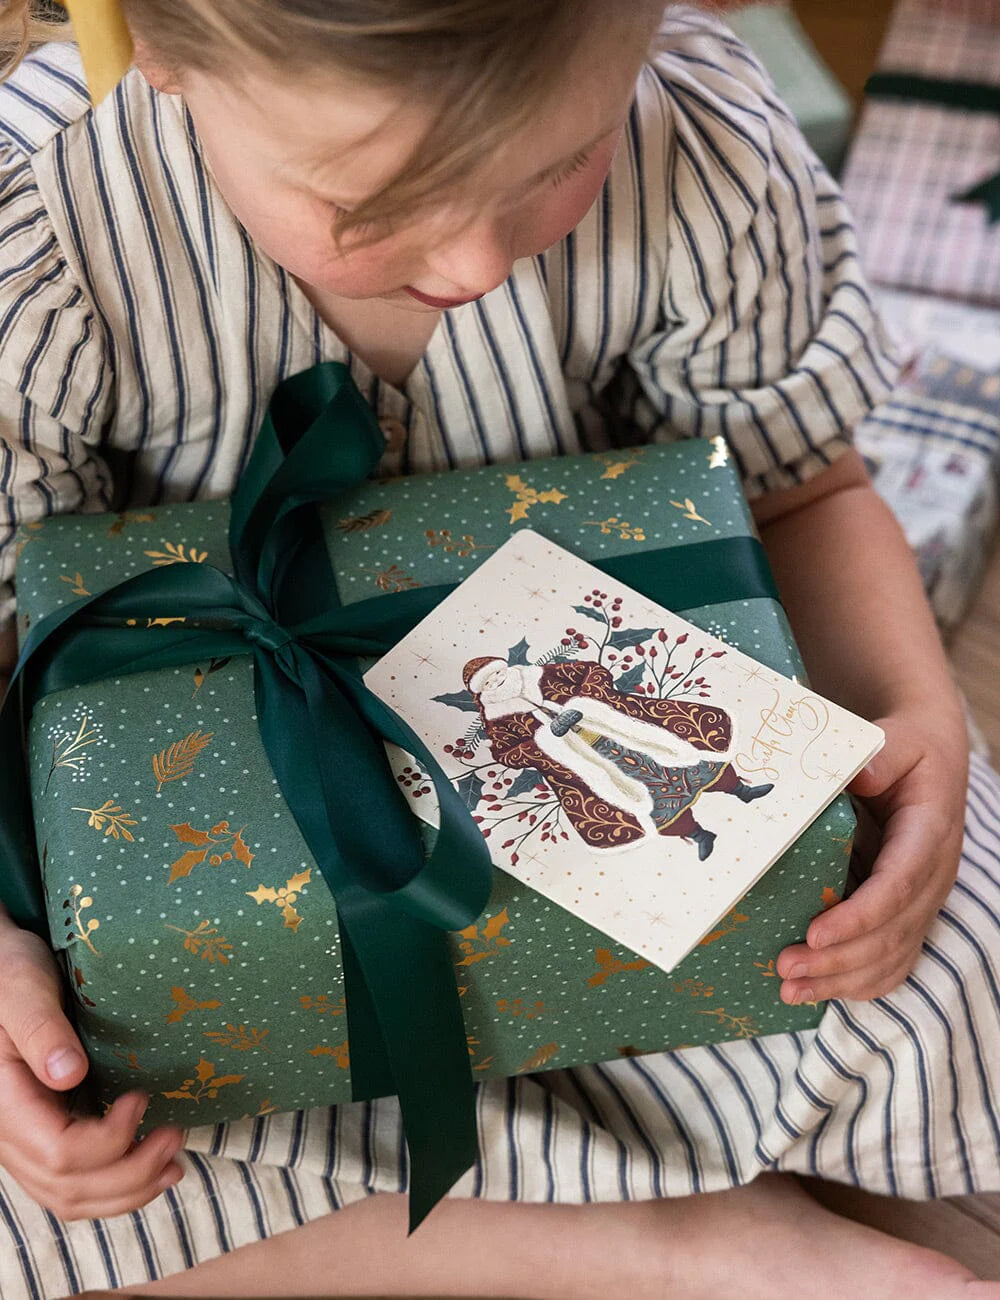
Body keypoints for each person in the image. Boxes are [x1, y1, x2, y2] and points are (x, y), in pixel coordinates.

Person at [0, 1, 996, 1296]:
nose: (473, 260)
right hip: (209, 926)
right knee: (41, 1136)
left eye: (550, 167)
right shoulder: (42, 222)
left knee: (946, 934)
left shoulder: (697, 141)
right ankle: (671, 1244)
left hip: (625, 809)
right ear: (165, 48)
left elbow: (801, 487)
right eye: (370, 204)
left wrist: (913, 716)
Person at [462, 654, 773, 859]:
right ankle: (699, 834)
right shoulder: (497, 717)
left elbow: (592, 672)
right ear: (482, 692)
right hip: (581, 759)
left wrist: (584, 701)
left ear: (504, 668)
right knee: (634, 798)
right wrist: (543, 741)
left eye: (496, 675)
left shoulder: (541, 674)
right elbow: (507, 753)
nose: (496, 683)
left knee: (680, 756)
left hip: (618, 727)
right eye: (487, 684)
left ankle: (740, 790)